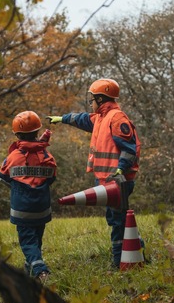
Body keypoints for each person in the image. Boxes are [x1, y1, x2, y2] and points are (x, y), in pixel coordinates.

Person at [47, 78, 144, 269]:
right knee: (121, 219)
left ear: (100, 99)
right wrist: (63, 118)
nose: (90, 103)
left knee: (117, 221)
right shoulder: (101, 117)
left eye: (92, 99)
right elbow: (83, 119)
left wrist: (120, 168)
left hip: (118, 180)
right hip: (107, 180)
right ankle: (137, 251)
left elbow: (129, 149)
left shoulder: (116, 118)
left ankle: (121, 262)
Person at [0, 111, 57, 283]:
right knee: (36, 239)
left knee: (27, 242)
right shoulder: (46, 156)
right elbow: (52, 178)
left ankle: (40, 271)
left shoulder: (13, 157)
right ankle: (29, 272)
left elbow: (3, 178)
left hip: (22, 209)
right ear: (37, 132)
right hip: (42, 207)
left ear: (16, 134)